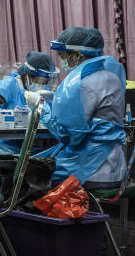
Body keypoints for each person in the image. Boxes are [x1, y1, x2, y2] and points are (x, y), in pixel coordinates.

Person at [30, 27, 127, 187]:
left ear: (76, 55)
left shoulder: (79, 83)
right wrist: (56, 100)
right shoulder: (111, 77)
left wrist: (41, 107)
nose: (62, 63)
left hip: (91, 167)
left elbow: (68, 134)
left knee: (26, 173)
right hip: (115, 166)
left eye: (63, 57)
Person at [0, 51, 58, 160]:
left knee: (47, 161)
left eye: (46, 81)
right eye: (40, 80)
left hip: (23, 146)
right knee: (27, 164)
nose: (42, 85)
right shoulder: (6, 86)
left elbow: (49, 115)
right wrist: (17, 117)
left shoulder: (44, 92)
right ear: (27, 74)